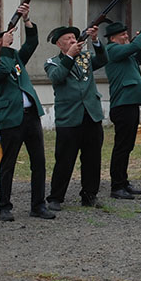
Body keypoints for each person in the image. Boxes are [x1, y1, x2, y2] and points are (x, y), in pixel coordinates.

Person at [0, 4, 54, 221]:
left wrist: (27, 21)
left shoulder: (14, 57)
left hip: (31, 115)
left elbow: (32, 43)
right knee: (8, 162)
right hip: (11, 116)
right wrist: (5, 49)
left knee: (38, 161)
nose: (7, 41)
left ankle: (38, 205)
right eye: (0, 41)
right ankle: (4, 205)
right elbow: (2, 71)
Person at [44, 24, 107, 210]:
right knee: (64, 159)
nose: (73, 40)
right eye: (68, 39)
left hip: (91, 114)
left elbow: (103, 59)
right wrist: (70, 55)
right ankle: (56, 197)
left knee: (92, 159)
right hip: (69, 117)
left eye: (74, 37)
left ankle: (89, 195)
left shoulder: (86, 58)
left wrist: (95, 40)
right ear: (59, 44)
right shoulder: (52, 62)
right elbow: (58, 77)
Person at [103, 14, 141, 200]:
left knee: (127, 146)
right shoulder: (111, 50)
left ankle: (123, 181)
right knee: (121, 146)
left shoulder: (123, 52)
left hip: (130, 105)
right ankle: (116, 186)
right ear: (112, 38)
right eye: (122, 35)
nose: (126, 37)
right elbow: (133, 47)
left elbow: (139, 57)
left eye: (126, 34)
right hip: (122, 106)